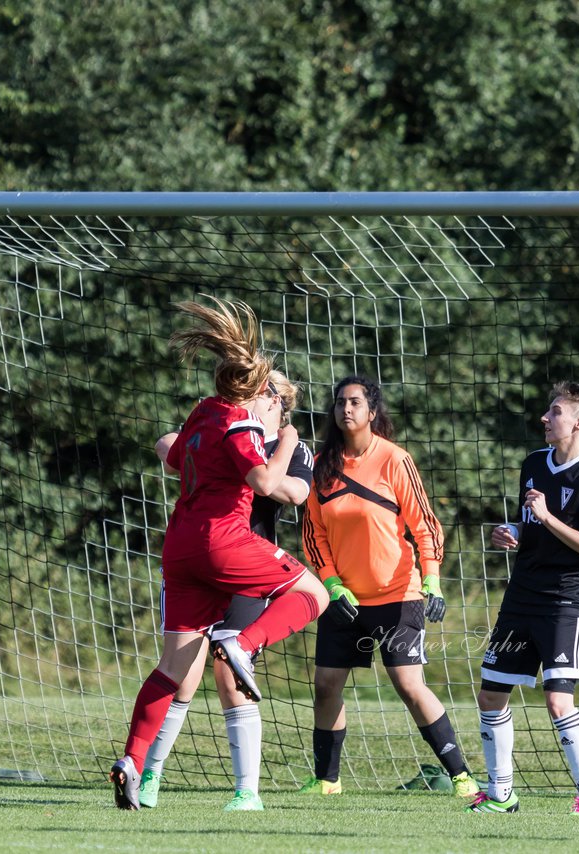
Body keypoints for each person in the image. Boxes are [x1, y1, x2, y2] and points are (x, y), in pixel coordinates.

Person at [109, 298, 329, 812]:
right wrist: (289, 438)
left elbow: (178, 446)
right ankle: (243, 644)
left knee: (172, 668)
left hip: (179, 547)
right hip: (222, 543)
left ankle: (132, 762)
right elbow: (266, 481)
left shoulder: (204, 411)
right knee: (313, 593)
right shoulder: (241, 425)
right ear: (255, 392)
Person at [138, 369, 315, 809]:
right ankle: (148, 776)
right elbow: (168, 443)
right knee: (181, 676)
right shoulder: (229, 425)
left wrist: (263, 472)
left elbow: (295, 491)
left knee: (231, 676)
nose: (253, 391)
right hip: (202, 560)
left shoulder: (289, 447)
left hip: (247, 567)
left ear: (277, 401)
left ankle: (246, 792)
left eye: (263, 387)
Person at [300, 376, 479, 798]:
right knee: (326, 684)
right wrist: (331, 582)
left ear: (372, 411)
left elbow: (425, 525)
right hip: (343, 599)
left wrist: (432, 580)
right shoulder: (321, 465)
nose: (347, 409)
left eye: (355, 402)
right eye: (341, 402)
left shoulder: (395, 459)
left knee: (408, 685)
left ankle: (461, 776)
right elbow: (314, 534)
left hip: (399, 595)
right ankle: (327, 780)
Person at [467, 381, 579, 816]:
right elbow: (529, 523)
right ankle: (499, 795)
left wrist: (547, 518)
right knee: (491, 694)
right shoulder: (533, 463)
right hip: (521, 594)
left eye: (555, 412)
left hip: (565, 600)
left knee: (557, 699)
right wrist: (512, 531)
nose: (545, 419)